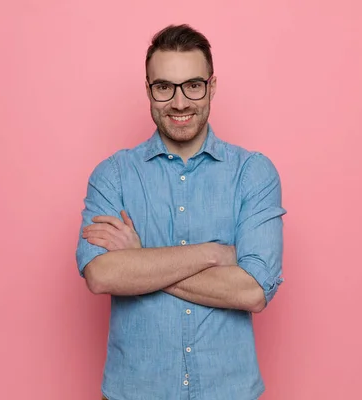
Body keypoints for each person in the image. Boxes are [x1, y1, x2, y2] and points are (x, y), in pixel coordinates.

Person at [76, 24, 287, 400]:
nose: (179, 102)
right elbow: (101, 275)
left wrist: (138, 262)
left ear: (212, 86)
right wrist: (214, 255)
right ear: (148, 90)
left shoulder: (253, 173)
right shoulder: (113, 175)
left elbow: (253, 290)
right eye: (164, 87)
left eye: (193, 85)